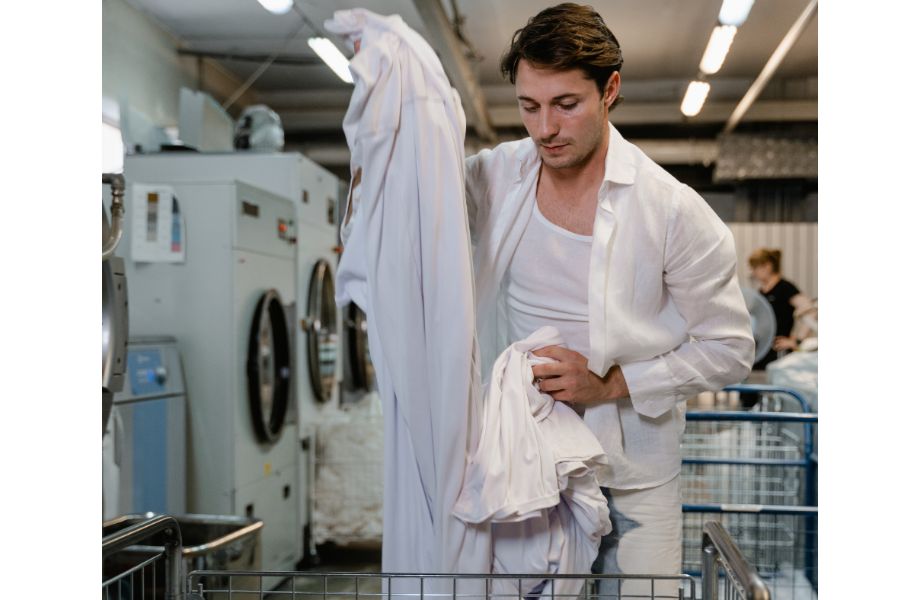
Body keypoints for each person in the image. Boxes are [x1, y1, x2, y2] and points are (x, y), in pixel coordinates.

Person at [463, 3, 754, 593]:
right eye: (529, 106)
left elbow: (730, 349)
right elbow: (404, 212)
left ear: (610, 89)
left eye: (566, 104)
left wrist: (610, 383)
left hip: (634, 476)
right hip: (526, 466)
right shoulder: (495, 177)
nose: (544, 127)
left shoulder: (670, 209)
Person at [748, 248, 810, 369]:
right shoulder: (761, 292)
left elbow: (810, 310)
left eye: (755, 268)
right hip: (762, 351)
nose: (753, 272)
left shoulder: (785, 287)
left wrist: (796, 341)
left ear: (767, 266)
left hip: (778, 353)